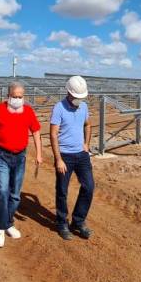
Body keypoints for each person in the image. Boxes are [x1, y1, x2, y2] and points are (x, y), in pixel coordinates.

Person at [0, 81, 43, 248]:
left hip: (20, 156)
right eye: (14, 96)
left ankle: (8, 222)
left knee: (15, 194)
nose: (17, 99)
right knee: (2, 191)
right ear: (8, 96)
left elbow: (36, 131)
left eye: (20, 97)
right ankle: (0, 228)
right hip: (1, 154)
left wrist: (38, 153)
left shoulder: (28, 111)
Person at [49, 75, 94, 240]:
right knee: (62, 190)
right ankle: (62, 223)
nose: (79, 100)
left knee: (89, 187)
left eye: (81, 97)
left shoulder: (83, 107)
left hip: (82, 155)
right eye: (77, 97)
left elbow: (88, 125)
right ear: (69, 93)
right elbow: (53, 134)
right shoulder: (59, 107)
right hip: (65, 156)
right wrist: (58, 159)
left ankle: (78, 221)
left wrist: (86, 144)